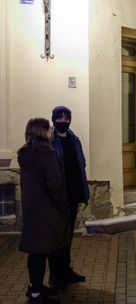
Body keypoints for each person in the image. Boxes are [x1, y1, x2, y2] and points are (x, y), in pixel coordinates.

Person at [18, 118, 70, 304]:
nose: (52, 130)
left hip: (32, 208)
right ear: (42, 132)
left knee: (36, 250)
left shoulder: (26, 154)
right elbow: (55, 185)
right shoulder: (47, 154)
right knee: (40, 252)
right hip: (46, 209)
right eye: (49, 128)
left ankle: (34, 287)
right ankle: (36, 295)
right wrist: (63, 207)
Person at [48, 106, 89, 290]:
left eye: (67, 117)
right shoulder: (50, 141)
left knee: (68, 236)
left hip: (72, 195)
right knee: (56, 238)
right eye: (60, 117)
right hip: (57, 198)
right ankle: (55, 275)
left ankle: (65, 270)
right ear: (54, 119)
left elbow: (81, 165)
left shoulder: (74, 140)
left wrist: (82, 192)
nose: (64, 121)